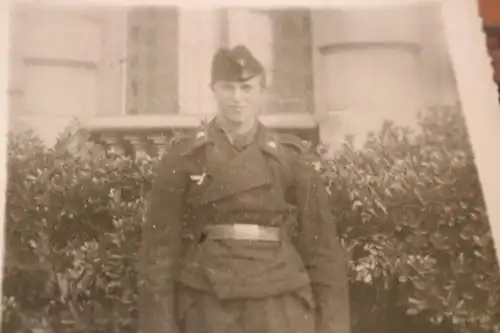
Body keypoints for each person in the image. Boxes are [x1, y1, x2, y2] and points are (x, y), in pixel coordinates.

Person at [138, 45, 350, 333]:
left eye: (246, 88)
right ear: (213, 89)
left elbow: (322, 250)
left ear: (262, 92)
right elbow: (159, 252)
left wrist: (334, 326)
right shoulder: (185, 157)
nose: (237, 98)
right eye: (228, 87)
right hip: (208, 299)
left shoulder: (290, 158)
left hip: (278, 299)